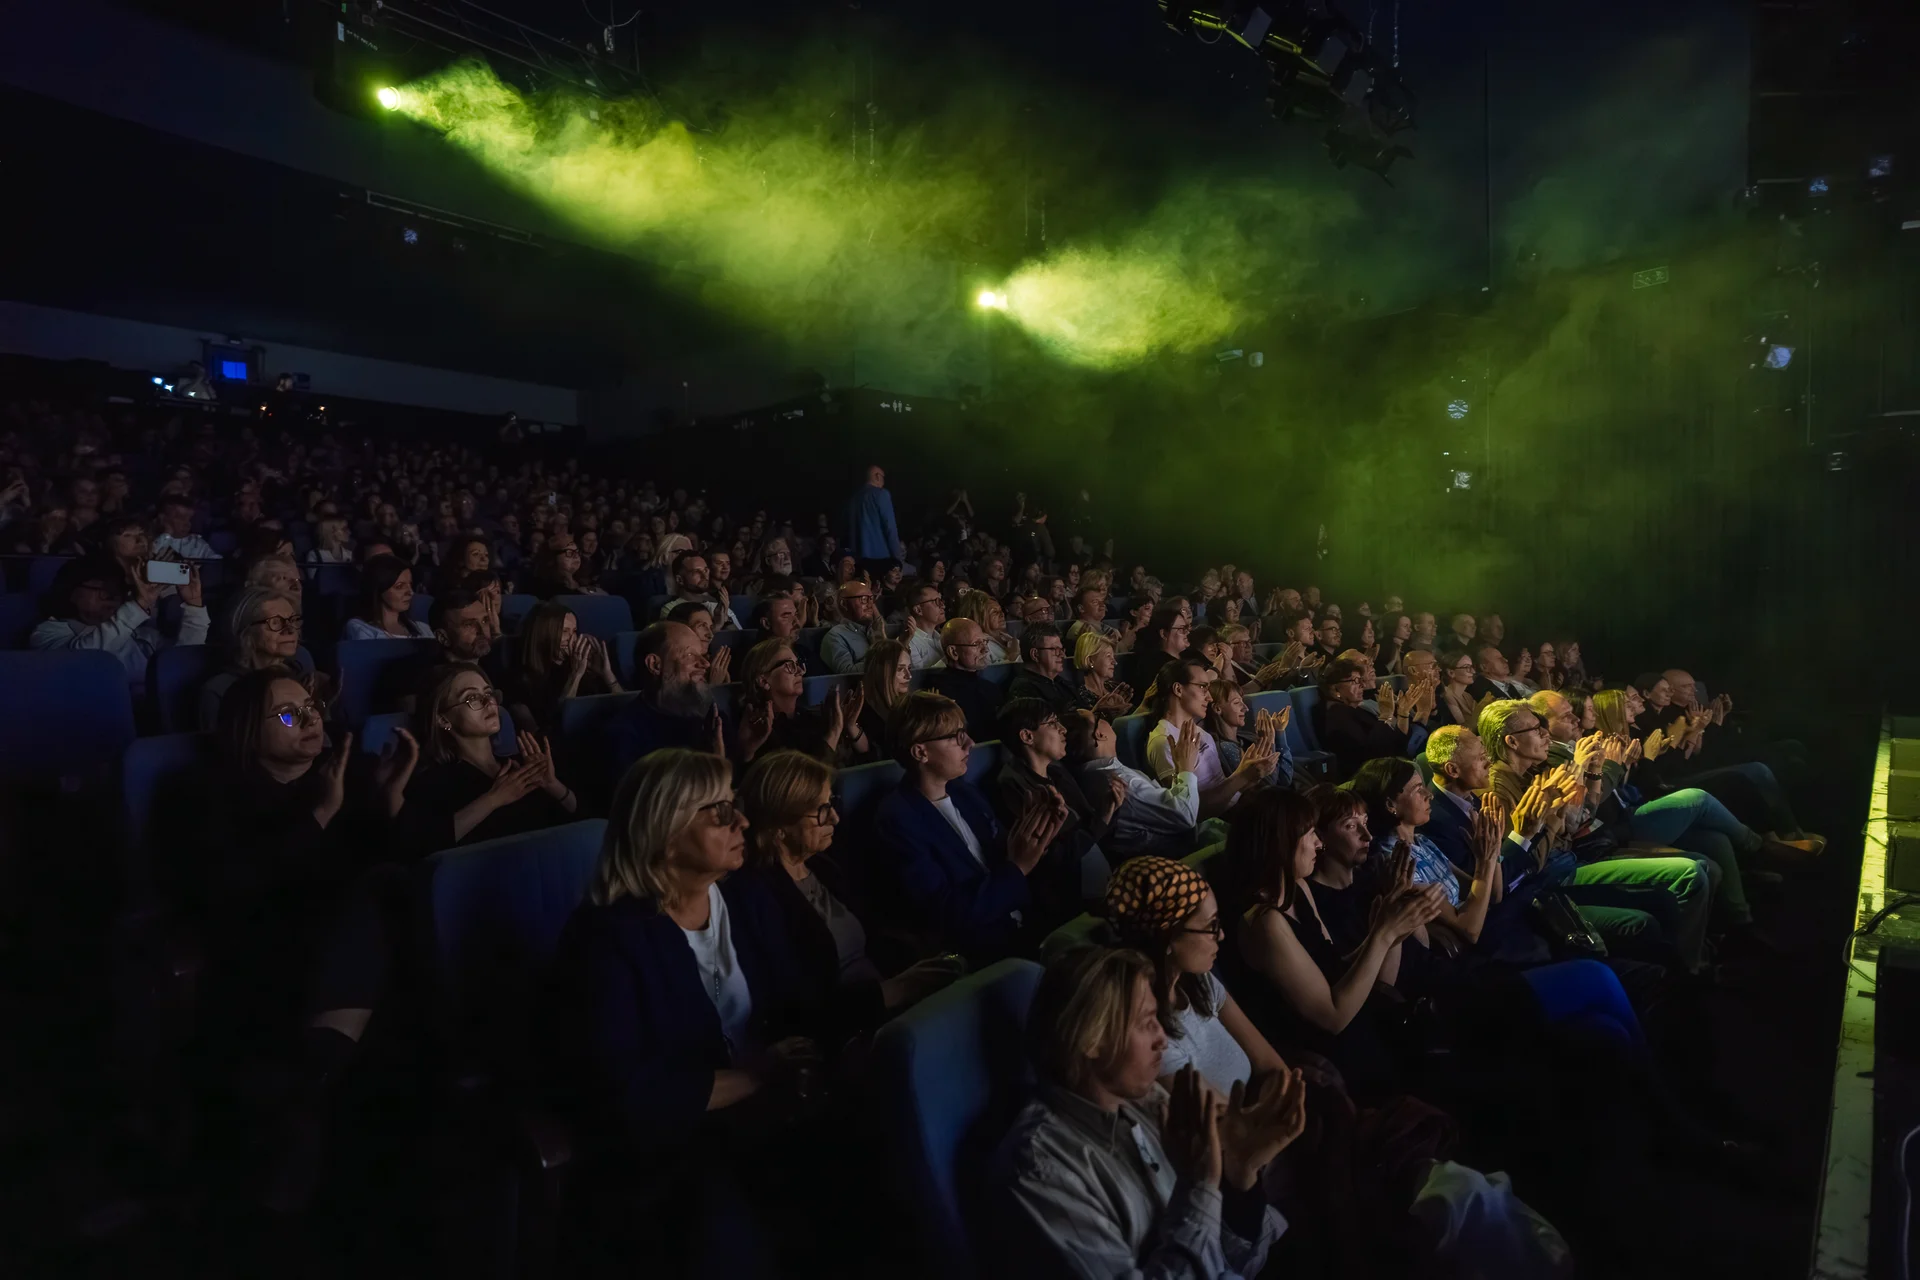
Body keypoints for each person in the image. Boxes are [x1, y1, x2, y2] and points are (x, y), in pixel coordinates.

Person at [547, 749, 823, 1276]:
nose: (742, 820)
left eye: (736, 805)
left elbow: (799, 1002)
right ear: (666, 832)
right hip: (676, 1156)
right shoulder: (606, 938)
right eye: (720, 811)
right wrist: (757, 1075)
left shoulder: (745, 894)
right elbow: (626, 1096)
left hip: (775, 1108)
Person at [993, 946, 1293, 1280]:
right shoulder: (1040, 1170)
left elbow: (1233, 1258)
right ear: (1091, 1040)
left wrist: (1239, 1177)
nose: (1163, 1039)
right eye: (1147, 1023)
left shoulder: (1145, 1100)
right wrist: (1199, 1185)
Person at [1212, 786, 1442, 1098]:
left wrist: (1393, 931)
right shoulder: (1265, 923)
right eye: (1309, 834)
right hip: (1331, 1058)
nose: (1319, 844)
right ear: (1282, 843)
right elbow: (1332, 1017)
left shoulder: (1299, 889)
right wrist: (1383, 934)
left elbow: (1337, 969)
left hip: (1362, 1025)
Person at [738, 749, 963, 1025]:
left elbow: (875, 936)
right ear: (778, 826)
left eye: (831, 802)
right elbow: (797, 1010)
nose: (834, 818)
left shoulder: (823, 866)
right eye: (821, 811)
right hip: (848, 1028)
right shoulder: (755, 897)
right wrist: (896, 990)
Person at [870, 692, 1068, 963]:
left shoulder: (965, 792)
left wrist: (1038, 837)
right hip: (982, 952)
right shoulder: (897, 819)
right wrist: (1018, 867)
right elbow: (945, 913)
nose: (970, 743)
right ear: (920, 752)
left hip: (1029, 924)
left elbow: (1004, 856)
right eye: (955, 737)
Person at [395, 664, 577, 853]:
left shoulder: (523, 763)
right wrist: (493, 799)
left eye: (488, 693)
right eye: (471, 698)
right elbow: (423, 846)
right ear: (443, 720)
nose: (488, 702)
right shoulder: (434, 782)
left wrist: (553, 786)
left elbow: (580, 821)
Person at [995, 698, 1120, 909]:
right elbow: (1056, 858)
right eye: (1053, 723)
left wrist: (1109, 810)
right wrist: (1104, 818)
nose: (1063, 730)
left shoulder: (1056, 771)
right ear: (1027, 736)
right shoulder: (1015, 786)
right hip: (1071, 897)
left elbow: (1087, 825)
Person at [32, 553, 208, 693]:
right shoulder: (47, 632)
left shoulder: (142, 635)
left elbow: (182, 661)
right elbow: (81, 661)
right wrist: (138, 607)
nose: (114, 596)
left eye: (120, 591)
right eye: (103, 589)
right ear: (71, 591)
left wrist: (194, 606)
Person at [1143, 657, 1276, 820]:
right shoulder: (1163, 742)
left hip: (1237, 810)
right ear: (1178, 689)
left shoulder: (1202, 732)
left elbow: (1225, 790)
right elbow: (1190, 813)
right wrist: (1242, 776)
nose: (1210, 697)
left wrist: (1250, 776)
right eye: (1202, 687)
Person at [1065, 710, 1204, 860]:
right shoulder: (1121, 782)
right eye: (1100, 717)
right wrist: (1185, 768)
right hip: (1174, 860)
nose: (1108, 720)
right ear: (1099, 734)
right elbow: (1185, 815)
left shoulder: (1095, 773)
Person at [608, 622, 723, 785]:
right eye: (690, 655)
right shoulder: (625, 734)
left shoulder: (713, 716)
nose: (705, 664)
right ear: (655, 664)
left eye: (703, 655)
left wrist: (747, 750)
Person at [735, 639, 870, 767]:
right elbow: (806, 782)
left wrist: (850, 726)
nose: (800, 671)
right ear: (764, 681)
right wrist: (834, 731)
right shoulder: (758, 729)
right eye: (789, 666)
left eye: (798, 664)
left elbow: (866, 759)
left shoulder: (810, 718)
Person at [502, 601, 622, 734]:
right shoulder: (520, 682)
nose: (573, 639)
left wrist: (607, 674)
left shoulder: (585, 671)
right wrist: (575, 675)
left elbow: (626, 709)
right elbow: (553, 733)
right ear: (544, 634)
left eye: (574, 631)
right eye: (565, 631)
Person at [198, 587, 303, 729]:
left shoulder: (300, 674)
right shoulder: (220, 690)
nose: (290, 629)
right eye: (275, 622)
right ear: (246, 632)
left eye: (293, 620)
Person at [1312, 658, 1414, 782]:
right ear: (1335, 689)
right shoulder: (1337, 715)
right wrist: (1385, 714)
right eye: (1355, 681)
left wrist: (1403, 713)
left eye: (1361, 680)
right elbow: (1371, 753)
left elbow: (1397, 743)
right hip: (1368, 778)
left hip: (1386, 768)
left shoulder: (1354, 710)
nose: (1363, 685)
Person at [926, 616, 1008, 742]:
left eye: (985, 642)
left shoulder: (991, 688)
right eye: (976, 644)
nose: (985, 650)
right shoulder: (939, 694)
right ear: (953, 652)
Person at [1204, 679, 1295, 791]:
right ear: (1217, 709)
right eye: (1237, 703)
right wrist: (1268, 741)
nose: (1245, 708)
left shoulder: (1245, 738)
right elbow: (1269, 786)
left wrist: (1279, 732)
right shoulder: (1225, 747)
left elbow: (1285, 778)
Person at [341, 555, 432, 641]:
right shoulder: (360, 628)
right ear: (380, 589)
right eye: (399, 586)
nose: (411, 592)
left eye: (410, 584)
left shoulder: (422, 628)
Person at [1117, 604, 1191, 702]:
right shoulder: (1154, 665)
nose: (1187, 632)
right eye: (1182, 629)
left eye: (1187, 628)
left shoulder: (1188, 658)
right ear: (1164, 633)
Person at [1006, 621, 1079, 716]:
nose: (1062, 655)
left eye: (1061, 650)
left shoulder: (1062, 683)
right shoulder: (1024, 692)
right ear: (1035, 654)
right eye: (1055, 650)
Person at [857, 638, 913, 757]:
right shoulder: (862, 711)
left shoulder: (910, 705)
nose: (909, 676)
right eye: (900, 669)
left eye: (909, 668)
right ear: (882, 671)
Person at [845, 463, 903, 575]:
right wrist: (897, 557)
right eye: (883, 477)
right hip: (881, 556)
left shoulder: (853, 499)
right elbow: (890, 526)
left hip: (857, 557)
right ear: (877, 476)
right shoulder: (882, 494)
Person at [1069, 630, 1134, 717]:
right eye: (1108, 656)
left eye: (1113, 657)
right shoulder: (1077, 696)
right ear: (1090, 660)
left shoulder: (1115, 688)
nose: (1114, 662)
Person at [819, 580, 880, 675]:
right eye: (863, 599)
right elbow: (848, 674)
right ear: (844, 604)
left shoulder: (877, 630)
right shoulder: (836, 637)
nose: (870, 604)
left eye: (871, 599)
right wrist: (877, 650)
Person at [899, 578, 946, 670]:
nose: (943, 605)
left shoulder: (939, 636)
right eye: (936, 601)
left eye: (941, 600)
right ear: (918, 610)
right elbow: (917, 677)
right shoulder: (909, 642)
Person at [153, 495, 218, 560]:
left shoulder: (197, 544)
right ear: (164, 518)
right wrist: (166, 534)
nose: (187, 524)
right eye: (181, 518)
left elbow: (216, 561)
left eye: (190, 519)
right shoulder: (152, 540)